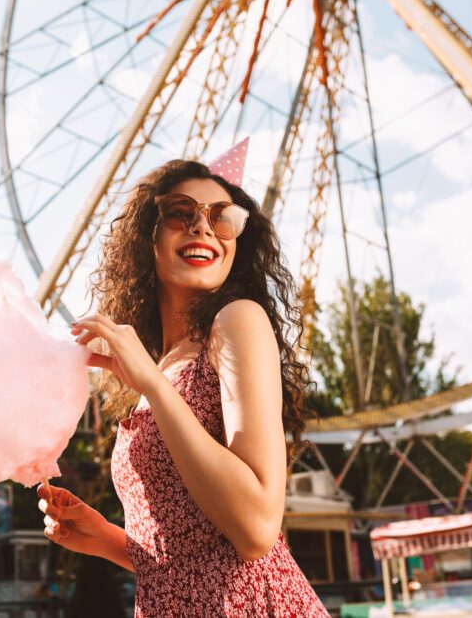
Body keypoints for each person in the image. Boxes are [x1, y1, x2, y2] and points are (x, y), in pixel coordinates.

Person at [38, 143, 328, 616]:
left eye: (223, 217)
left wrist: (153, 384)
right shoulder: (164, 364)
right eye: (180, 213)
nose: (202, 227)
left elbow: (256, 530)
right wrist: (109, 540)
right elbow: (196, 557)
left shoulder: (238, 321)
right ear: (145, 238)